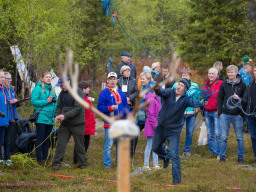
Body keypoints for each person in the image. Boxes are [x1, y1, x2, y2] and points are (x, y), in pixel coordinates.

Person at [152, 78, 203, 185]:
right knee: (155, 147)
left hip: (173, 131)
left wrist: (202, 102)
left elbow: (195, 103)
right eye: (178, 84)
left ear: (185, 90)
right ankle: (166, 156)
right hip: (161, 127)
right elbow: (161, 92)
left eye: (182, 86)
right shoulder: (170, 92)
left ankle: (177, 181)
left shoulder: (186, 99)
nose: (179, 87)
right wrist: (156, 87)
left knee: (175, 155)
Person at [52, 76, 86, 170]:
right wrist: (57, 116)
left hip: (78, 124)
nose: (61, 87)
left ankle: (81, 163)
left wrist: (64, 116)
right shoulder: (62, 94)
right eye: (60, 86)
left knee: (79, 145)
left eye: (62, 85)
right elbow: (59, 106)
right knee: (60, 143)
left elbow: (78, 108)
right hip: (65, 124)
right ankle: (56, 163)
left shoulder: (78, 92)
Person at [97, 72, 130, 169]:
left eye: (114, 79)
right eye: (110, 79)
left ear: (117, 80)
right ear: (107, 80)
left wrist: (128, 114)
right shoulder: (104, 93)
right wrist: (110, 108)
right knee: (109, 145)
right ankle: (107, 165)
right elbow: (99, 107)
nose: (112, 81)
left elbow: (125, 105)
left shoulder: (121, 92)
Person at [217, 65, 246, 162]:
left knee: (239, 137)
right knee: (224, 137)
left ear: (236, 73)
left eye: (232, 72)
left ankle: (240, 157)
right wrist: (220, 112)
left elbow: (245, 100)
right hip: (225, 114)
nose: (230, 74)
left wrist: (241, 114)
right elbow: (220, 98)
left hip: (237, 115)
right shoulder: (224, 84)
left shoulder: (242, 84)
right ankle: (222, 156)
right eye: (228, 72)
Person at [31, 72, 57, 163]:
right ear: (42, 78)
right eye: (47, 77)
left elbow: (55, 102)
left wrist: (55, 114)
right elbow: (33, 102)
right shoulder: (38, 89)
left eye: (50, 77)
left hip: (50, 118)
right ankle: (39, 159)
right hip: (41, 117)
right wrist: (46, 101)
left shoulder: (52, 89)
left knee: (47, 139)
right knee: (40, 138)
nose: (49, 79)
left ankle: (45, 158)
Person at [172, 70, 200, 156]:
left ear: (190, 77)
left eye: (186, 75)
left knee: (190, 132)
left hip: (191, 112)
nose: (184, 76)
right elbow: (172, 97)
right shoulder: (176, 85)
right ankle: (174, 150)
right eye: (183, 75)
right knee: (177, 131)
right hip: (180, 112)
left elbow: (197, 97)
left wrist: (197, 106)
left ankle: (187, 150)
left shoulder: (195, 86)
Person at [233, 66, 256, 162]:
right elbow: (246, 99)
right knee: (254, 137)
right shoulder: (250, 85)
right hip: (251, 115)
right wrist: (238, 98)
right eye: (255, 70)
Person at [73, 81, 96, 164]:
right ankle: (78, 159)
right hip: (83, 124)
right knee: (81, 143)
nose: (89, 89)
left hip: (87, 125)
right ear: (83, 89)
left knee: (85, 143)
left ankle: (80, 158)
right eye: (87, 88)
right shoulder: (81, 100)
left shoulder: (86, 99)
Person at [203, 68, 222, 158]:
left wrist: (220, 109)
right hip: (207, 111)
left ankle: (219, 152)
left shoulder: (220, 84)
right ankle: (212, 151)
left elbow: (222, 97)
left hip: (216, 111)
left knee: (218, 133)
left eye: (212, 74)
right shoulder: (205, 85)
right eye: (209, 73)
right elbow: (203, 98)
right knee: (210, 133)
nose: (210, 75)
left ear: (216, 75)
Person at [3, 72, 20, 165]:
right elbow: (4, 102)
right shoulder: (2, 89)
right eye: (6, 78)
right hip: (5, 117)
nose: (8, 80)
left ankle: (7, 157)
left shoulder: (11, 89)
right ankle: (2, 157)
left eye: (10, 79)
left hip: (12, 117)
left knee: (8, 139)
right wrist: (10, 101)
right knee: (2, 138)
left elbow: (13, 102)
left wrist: (18, 102)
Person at [143, 92, 161, 170]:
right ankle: (146, 164)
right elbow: (151, 114)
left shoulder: (157, 99)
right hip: (151, 126)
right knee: (150, 144)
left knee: (155, 145)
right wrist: (156, 126)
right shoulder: (151, 100)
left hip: (155, 125)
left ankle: (155, 164)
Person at [0, 70, 9, 164]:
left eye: (3, 77)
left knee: (1, 141)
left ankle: (1, 158)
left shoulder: (3, 90)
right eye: (1, 77)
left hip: (3, 120)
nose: (3, 79)